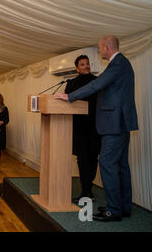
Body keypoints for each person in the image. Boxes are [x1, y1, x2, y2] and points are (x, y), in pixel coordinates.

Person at [55, 35, 138, 222]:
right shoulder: (123, 64)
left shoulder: (117, 64)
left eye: (100, 49)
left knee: (107, 164)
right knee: (121, 166)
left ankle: (113, 210)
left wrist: (69, 97)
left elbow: (96, 84)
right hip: (121, 123)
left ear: (107, 48)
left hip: (113, 124)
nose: (100, 52)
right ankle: (123, 207)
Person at [64, 55, 101, 203]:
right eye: (82, 64)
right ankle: (86, 190)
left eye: (87, 64)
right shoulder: (71, 83)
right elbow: (66, 102)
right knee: (82, 159)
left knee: (93, 158)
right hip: (79, 127)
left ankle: (88, 189)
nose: (86, 66)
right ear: (77, 68)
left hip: (95, 126)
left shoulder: (97, 81)